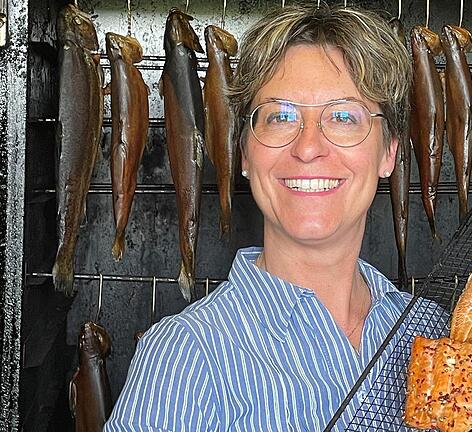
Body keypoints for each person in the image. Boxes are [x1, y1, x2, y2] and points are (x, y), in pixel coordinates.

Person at [104, 3, 413, 430]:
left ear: (389, 152)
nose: (308, 148)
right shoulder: (186, 358)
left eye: (343, 117)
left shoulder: (431, 331)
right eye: (280, 117)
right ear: (245, 153)